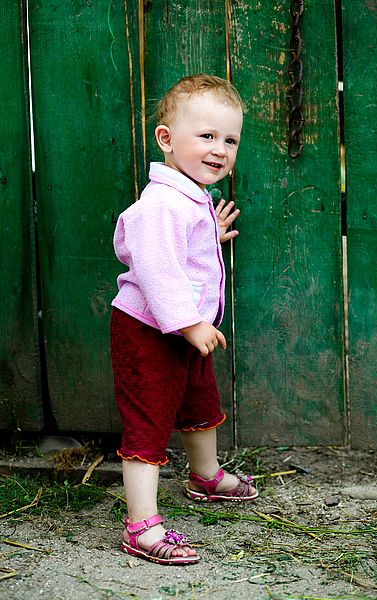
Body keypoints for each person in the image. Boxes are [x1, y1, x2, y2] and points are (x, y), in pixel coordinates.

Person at [109, 74, 258, 566]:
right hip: (152, 331)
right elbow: (155, 266)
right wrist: (189, 323)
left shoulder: (188, 199)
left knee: (199, 402)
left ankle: (205, 474)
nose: (219, 149)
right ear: (167, 140)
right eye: (206, 136)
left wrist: (206, 234)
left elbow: (180, 254)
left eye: (229, 140)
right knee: (148, 420)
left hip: (183, 328)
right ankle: (142, 526)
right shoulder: (163, 202)